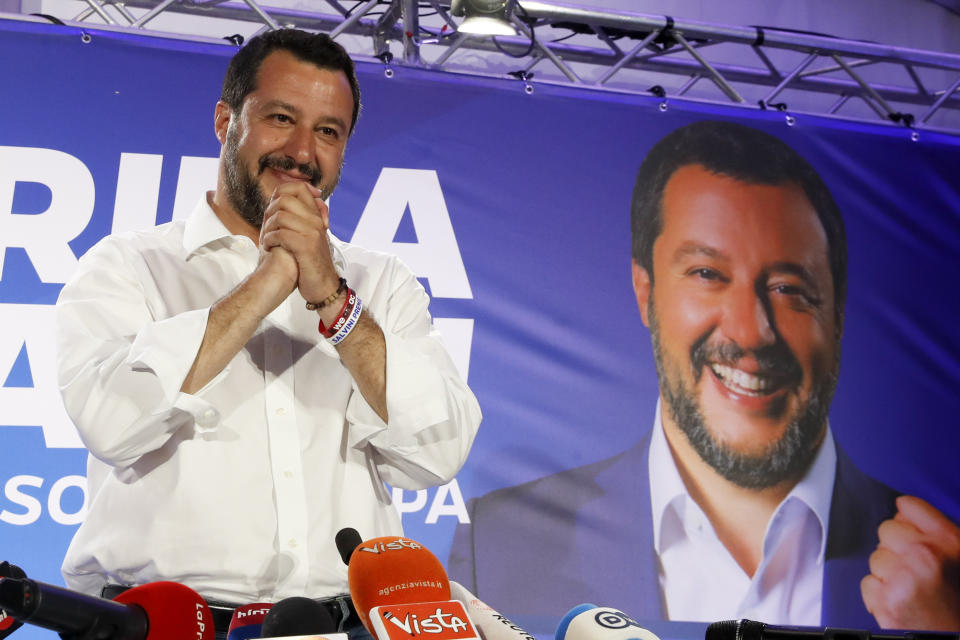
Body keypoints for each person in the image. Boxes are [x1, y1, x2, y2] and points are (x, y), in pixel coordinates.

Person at [448, 121, 959, 635]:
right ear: (645, 291)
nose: (752, 331)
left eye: (788, 288)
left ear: (839, 316)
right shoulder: (500, 547)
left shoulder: (943, 582)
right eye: (708, 275)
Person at [56, 29, 481, 639]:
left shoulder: (380, 284)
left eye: (328, 131)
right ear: (225, 119)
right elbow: (112, 422)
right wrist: (270, 279)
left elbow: (439, 452)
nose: (303, 150)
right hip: (169, 626)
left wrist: (333, 299)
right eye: (282, 118)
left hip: (343, 626)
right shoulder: (128, 266)